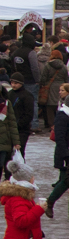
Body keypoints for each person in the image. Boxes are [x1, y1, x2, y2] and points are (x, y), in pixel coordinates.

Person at [0, 159, 46, 239]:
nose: (33, 178)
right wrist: (38, 209)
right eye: (32, 176)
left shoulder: (22, 196)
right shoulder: (18, 199)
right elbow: (21, 221)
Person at [0, 79, 21, 199]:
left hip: (5, 139)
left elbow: (12, 123)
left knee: (1, 165)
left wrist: (16, 141)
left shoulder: (7, 104)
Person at [45, 82, 69, 218]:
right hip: (66, 152)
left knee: (65, 181)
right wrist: (66, 154)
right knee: (66, 181)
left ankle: (50, 202)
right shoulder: (63, 115)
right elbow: (59, 137)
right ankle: (50, 202)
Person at [9, 73, 35, 156]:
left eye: (16, 83)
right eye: (12, 83)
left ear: (21, 83)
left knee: (19, 151)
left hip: (22, 129)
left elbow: (29, 114)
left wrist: (18, 124)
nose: (13, 85)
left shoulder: (27, 96)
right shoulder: (9, 94)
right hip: (10, 128)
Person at [39, 50, 67, 129]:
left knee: (49, 107)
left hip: (49, 87)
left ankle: (51, 125)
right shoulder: (63, 66)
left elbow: (43, 78)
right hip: (61, 86)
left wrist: (43, 85)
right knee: (60, 105)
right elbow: (66, 79)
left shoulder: (48, 65)